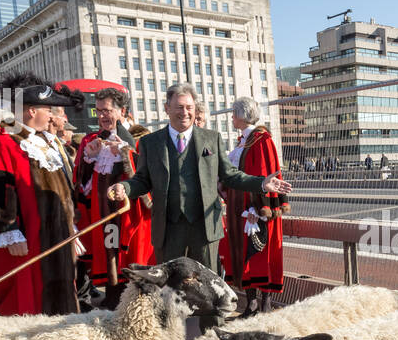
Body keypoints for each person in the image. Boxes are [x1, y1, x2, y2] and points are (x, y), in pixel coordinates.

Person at [108, 84, 291, 270]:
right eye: (179, 107)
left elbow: (230, 175)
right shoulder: (150, 142)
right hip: (168, 230)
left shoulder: (212, 138)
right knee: (170, 287)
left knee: (207, 286)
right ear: (166, 108)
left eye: (189, 107)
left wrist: (261, 183)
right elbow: (142, 180)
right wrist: (125, 188)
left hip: (204, 229)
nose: (185, 113)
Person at [0, 73, 81, 316]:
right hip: (25, 239)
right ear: (31, 110)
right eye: (48, 109)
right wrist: (8, 230)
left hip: (57, 236)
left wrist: (69, 223)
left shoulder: (44, 140)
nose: (52, 115)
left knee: (63, 300)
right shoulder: (0, 139)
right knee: (27, 303)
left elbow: (61, 186)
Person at [75, 87, 153, 309]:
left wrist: (125, 153)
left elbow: (148, 177)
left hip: (132, 215)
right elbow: (83, 187)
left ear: (122, 111)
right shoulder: (92, 141)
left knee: (131, 260)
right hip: (105, 214)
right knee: (110, 257)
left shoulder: (139, 140)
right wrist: (88, 159)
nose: (102, 116)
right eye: (98, 111)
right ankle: (112, 297)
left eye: (107, 110)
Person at [218, 97, 287, 316]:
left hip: (254, 209)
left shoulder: (261, 139)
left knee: (260, 252)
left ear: (241, 115)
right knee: (244, 253)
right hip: (240, 207)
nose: (231, 117)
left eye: (233, 113)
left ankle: (264, 301)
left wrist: (259, 209)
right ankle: (251, 303)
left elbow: (266, 173)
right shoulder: (245, 141)